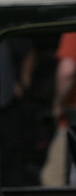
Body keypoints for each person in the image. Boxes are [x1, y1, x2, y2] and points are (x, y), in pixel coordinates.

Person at [0, 37, 37, 186]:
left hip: (7, 106)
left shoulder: (6, 31)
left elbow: (29, 52)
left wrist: (23, 81)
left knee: (11, 162)